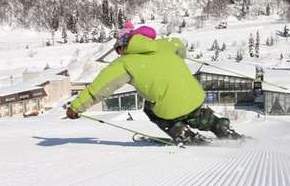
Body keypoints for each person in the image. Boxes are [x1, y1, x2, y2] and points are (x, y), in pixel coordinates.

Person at [66, 22, 242, 145]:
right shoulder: (164, 45)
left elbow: (99, 88)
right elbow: (178, 44)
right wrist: (178, 56)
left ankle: (183, 133)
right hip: (194, 96)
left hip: (169, 108)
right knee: (195, 112)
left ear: (124, 46)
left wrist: (76, 107)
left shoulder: (124, 63)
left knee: (151, 108)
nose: (119, 54)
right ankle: (219, 126)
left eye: (119, 49)